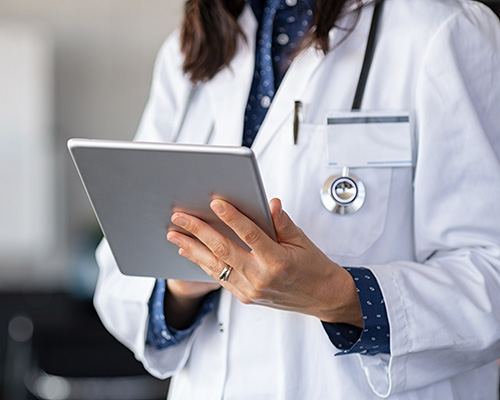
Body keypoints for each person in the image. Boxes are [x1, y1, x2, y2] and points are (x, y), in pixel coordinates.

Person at [93, 0, 500, 398]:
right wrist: (181, 287)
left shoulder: (445, 30)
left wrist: (341, 296)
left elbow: (491, 275)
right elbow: (119, 273)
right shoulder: (191, 48)